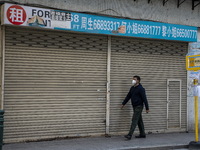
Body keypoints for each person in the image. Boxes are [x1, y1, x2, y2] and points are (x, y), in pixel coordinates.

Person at [121, 75, 149, 140]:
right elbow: (128, 96)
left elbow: (144, 98)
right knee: (139, 120)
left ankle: (129, 135)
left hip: (139, 106)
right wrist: (123, 103)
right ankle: (142, 134)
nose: (133, 80)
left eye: (135, 79)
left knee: (134, 120)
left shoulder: (141, 89)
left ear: (138, 81)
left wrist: (147, 108)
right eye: (133, 79)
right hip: (134, 106)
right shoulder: (132, 88)